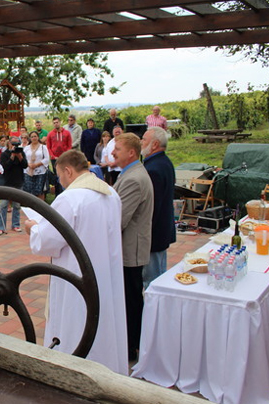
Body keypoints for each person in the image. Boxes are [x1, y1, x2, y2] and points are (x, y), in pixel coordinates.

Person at [24, 150, 127, 374]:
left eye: (59, 175)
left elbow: (48, 241)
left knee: (75, 323)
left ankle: (72, 372)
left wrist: (33, 228)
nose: (60, 181)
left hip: (76, 275)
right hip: (105, 273)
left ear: (68, 171)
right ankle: (108, 367)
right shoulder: (111, 193)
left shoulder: (70, 199)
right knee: (104, 320)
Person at [112, 132, 153, 362]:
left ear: (131, 152)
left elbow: (118, 220)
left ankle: (131, 347)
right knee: (130, 298)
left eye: (117, 148)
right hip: (129, 248)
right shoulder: (130, 174)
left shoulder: (133, 179)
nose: (113, 152)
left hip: (130, 250)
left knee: (131, 301)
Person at [141, 127, 176, 288]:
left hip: (154, 234)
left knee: (152, 281)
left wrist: (144, 235)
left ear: (154, 144)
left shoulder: (153, 169)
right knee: (159, 275)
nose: (141, 143)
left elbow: (151, 208)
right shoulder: (164, 162)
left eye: (144, 140)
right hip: (161, 231)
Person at [0, 136, 27, 235]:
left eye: (17, 144)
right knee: (4, 205)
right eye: (13, 144)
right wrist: (12, 156)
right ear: (9, 143)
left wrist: (20, 157)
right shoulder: (5, 154)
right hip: (7, 182)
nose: (15, 146)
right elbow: (5, 166)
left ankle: (16, 224)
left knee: (17, 205)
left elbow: (25, 165)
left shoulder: (22, 153)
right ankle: (0, 227)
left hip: (18, 181)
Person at [23, 131, 49, 200]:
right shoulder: (26, 148)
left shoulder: (43, 147)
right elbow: (23, 159)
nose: (34, 138)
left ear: (38, 137)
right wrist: (29, 164)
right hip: (28, 172)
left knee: (40, 191)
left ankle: (40, 208)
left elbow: (47, 159)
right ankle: (30, 208)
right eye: (32, 137)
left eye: (35, 136)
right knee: (29, 191)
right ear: (30, 138)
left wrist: (36, 164)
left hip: (40, 172)